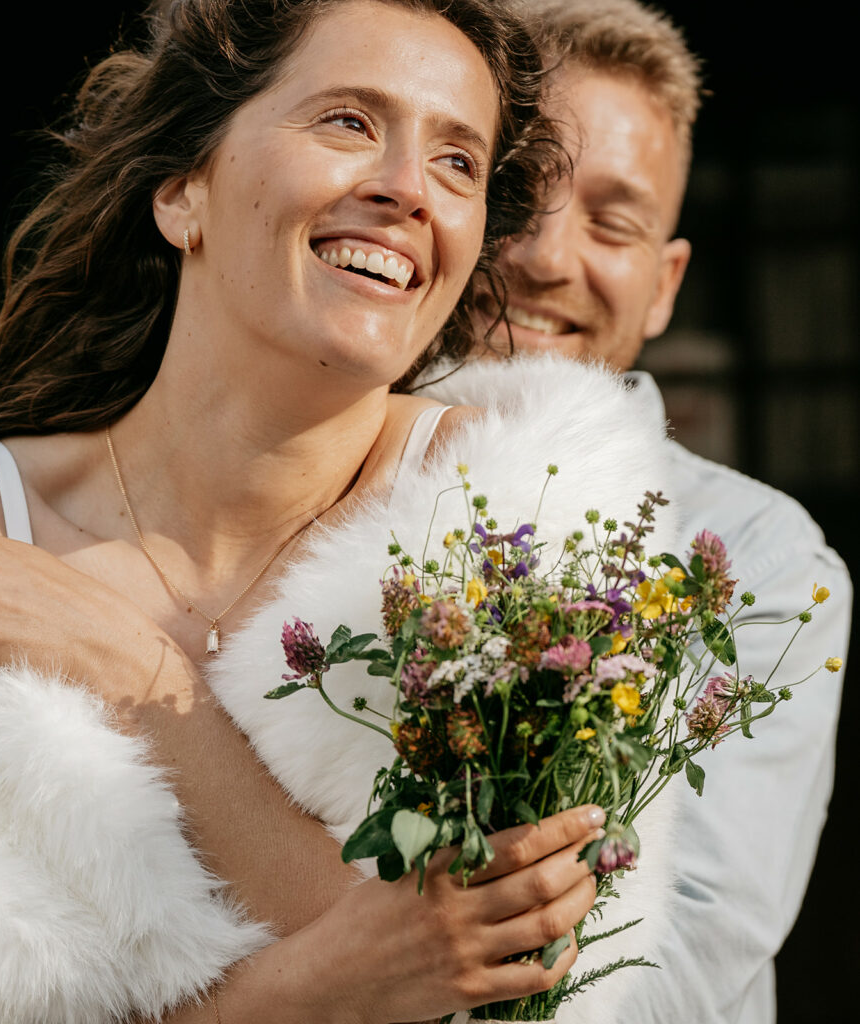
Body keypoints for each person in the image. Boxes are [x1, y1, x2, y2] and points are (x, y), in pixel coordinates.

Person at [0, 1, 682, 1022]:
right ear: (182, 191)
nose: (405, 190)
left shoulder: (535, 524)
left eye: (457, 163)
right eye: (348, 121)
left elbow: (532, 994)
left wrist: (137, 677)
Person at [415, 1, 851, 1021]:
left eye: (612, 220)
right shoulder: (315, 477)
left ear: (664, 286)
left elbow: (684, 970)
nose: (547, 258)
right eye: (516, 194)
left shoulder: (759, 556)